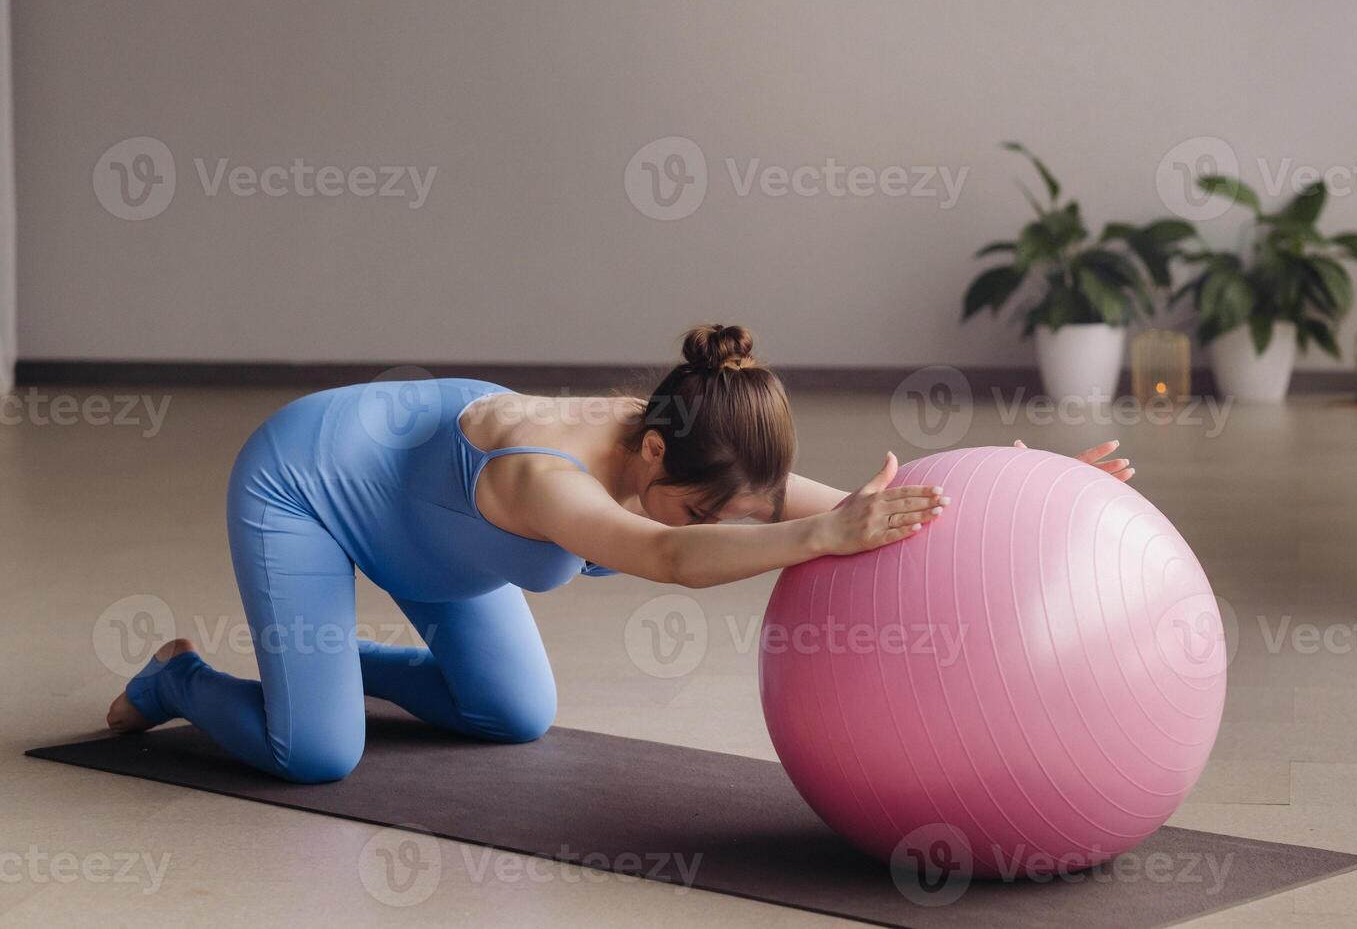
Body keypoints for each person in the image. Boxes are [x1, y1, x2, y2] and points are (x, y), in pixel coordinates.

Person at [106, 324, 1132, 783]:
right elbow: (670, 558)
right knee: (318, 755)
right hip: (310, 488)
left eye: (730, 512)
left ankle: (323, 669)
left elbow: (870, 502)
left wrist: (1026, 484)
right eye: (702, 509)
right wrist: (810, 538)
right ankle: (180, 675)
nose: (709, 523)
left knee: (513, 715)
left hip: (433, 547)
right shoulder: (542, 478)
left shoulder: (684, 452)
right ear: (650, 455)